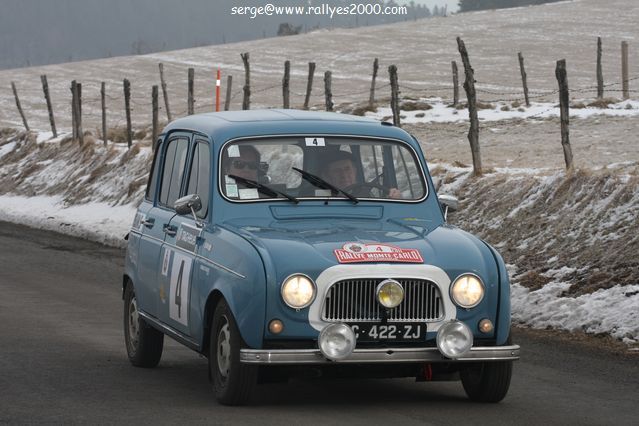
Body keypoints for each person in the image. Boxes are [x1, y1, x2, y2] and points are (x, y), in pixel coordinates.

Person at [320, 150, 402, 199]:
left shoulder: (369, 193)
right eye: (337, 171)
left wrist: (395, 197)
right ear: (327, 176)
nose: (344, 175)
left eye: (347, 169)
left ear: (355, 171)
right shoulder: (319, 198)